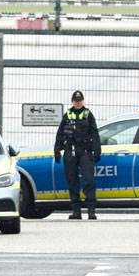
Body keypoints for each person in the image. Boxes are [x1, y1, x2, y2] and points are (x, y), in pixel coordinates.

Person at [54, 90, 101, 220]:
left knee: (88, 180)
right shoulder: (67, 115)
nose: (78, 103)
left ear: (83, 101)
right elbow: (60, 134)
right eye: (76, 101)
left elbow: (95, 134)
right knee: (72, 181)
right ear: (72, 102)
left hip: (85, 151)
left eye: (80, 101)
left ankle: (91, 211)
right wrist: (57, 151)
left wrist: (97, 151)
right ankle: (76, 211)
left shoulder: (88, 114)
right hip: (70, 151)